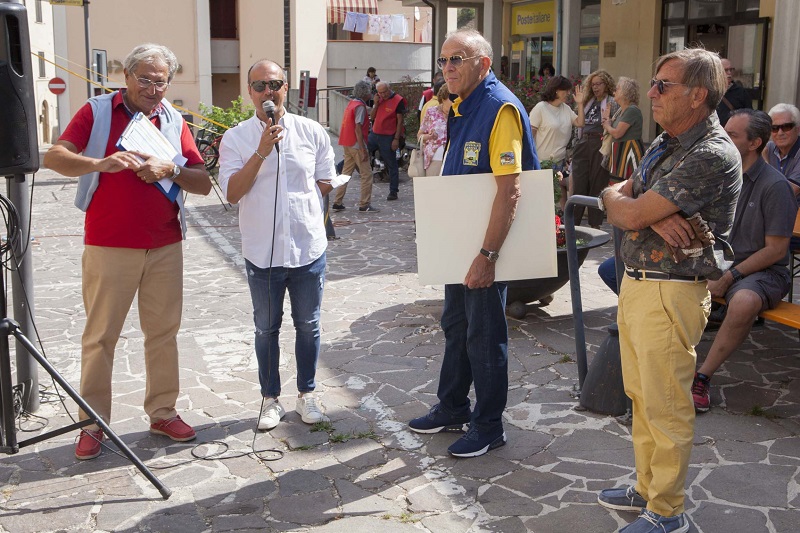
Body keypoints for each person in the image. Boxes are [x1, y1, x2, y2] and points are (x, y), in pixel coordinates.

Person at [43, 43, 212, 460]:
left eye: (161, 81)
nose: (153, 88)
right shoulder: (98, 111)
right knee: (100, 338)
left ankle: (162, 412)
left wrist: (170, 168)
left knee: (163, 334)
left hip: (165, 244)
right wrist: (100, 163)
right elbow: (54, 157)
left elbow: (202, 181)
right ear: (127, 77)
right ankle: (93, 424)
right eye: (145, 79)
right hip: (109, 243)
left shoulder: (174, 120)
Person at [595, 49, 740, 532]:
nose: (651, 93)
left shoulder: (712, 152)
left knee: (666, 404)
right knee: (641, 395)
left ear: (697, 95)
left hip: (671, 292)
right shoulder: (667, 142)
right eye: (654, 83)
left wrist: (640, 209)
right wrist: (641, 207)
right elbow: (615, 194)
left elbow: (631, 211)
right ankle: (645, 486)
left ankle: (667, 510)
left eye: (663, 85)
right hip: (638, 285)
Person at [407, 29, 539, 458]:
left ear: (483, 63)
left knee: (485, 335)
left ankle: (488, 425)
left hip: (486, 249)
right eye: (444, 60)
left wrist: (487, 256)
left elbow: (510, 190)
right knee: (457, 327)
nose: (447, 68)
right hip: (462, 245)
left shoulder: (498, 107)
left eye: (457, 59)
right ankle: (452, 407)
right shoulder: (462, 105)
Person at [218, 59, 333, 430]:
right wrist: (262, 151)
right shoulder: (236, 138)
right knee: (266, 328)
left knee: (308, 325)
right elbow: (233, 192)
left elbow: (325, 182)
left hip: (306, 249)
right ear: (249, 92)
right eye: (260, 86)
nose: (269, 92)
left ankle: (307, 394)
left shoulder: (312, 131)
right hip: (261, 252)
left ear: (287, 88)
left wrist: (311, 217)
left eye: (275, 84)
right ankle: (270, 399)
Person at [692, 109, 797, 412]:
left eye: (733, 134)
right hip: (721, 262)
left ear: (755, 143)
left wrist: (730, 276)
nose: (723, 136)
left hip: (762, 271)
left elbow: (776, 251)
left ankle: (702, 378)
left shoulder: (775, 186)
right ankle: (666, 364)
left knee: (744, 302)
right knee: (650, 274)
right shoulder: (724, 175)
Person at [529, 75, 585, 213]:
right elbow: (530, 135)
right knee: (544, 200)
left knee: (557, 198)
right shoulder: (541, 108)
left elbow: (580, 123)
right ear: (556, 90)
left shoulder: (565, 108)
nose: (568, 93)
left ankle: (562, 227)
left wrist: (580, 103)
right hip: (542, 162)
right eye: (565, 90)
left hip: (559, 162)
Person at [572, 70, 618, 229]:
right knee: (579, 183)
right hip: (583, 142)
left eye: (599, 84)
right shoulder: (587, 101)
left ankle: (595, 224)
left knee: (598, 184)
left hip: (601, 143)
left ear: (607, 84)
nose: (596, 87)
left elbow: (616, 124)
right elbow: (578, 123)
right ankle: (574, 223)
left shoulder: (612, 101)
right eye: (593, 84)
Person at [332, 80, 378, 212]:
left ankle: (337, 201)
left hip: (347, 142)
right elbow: (358, 128)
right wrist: (363, 149)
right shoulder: (360, 107)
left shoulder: (352, 103)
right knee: (367, 174)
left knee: (345, 173)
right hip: (356, 144)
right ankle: (364, 204)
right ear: (366, 93)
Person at [601, 76, 644, 182]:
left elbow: (617, 133)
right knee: (616, 186)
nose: (614, 91)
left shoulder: (632, 110)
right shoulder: (621, 110)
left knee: (624, 188)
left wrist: (607, 126)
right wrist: (608, 121)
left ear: (625, 92)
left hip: (628, 154)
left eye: (618, 89)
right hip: (619, 153)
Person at [368, 81, 406, 201]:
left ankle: (393, 191)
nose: (383, 95)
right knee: (360, 150)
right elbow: (372, 117)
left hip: (388, 136)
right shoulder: (378, 100)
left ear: (389, 89)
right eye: (380, 92)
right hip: (375, 134)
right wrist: (376, 104)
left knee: (392, 164)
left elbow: (400, 121)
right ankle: (339, 168)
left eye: (385, 92)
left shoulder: (398, 100)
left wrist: (396, 138)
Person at [416, 83, 452, 176]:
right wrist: (428, 136)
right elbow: (419, 135)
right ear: (443, 99)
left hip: (453, 159)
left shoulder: (459, 114)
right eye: (452, 99)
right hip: (434, 159)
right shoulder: (431, 112)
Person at [715, 58, 752, 126]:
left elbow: (749, 115)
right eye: (726, 70)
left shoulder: (741, 92)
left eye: (731, 70)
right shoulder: (710, 91)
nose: (729, 73)